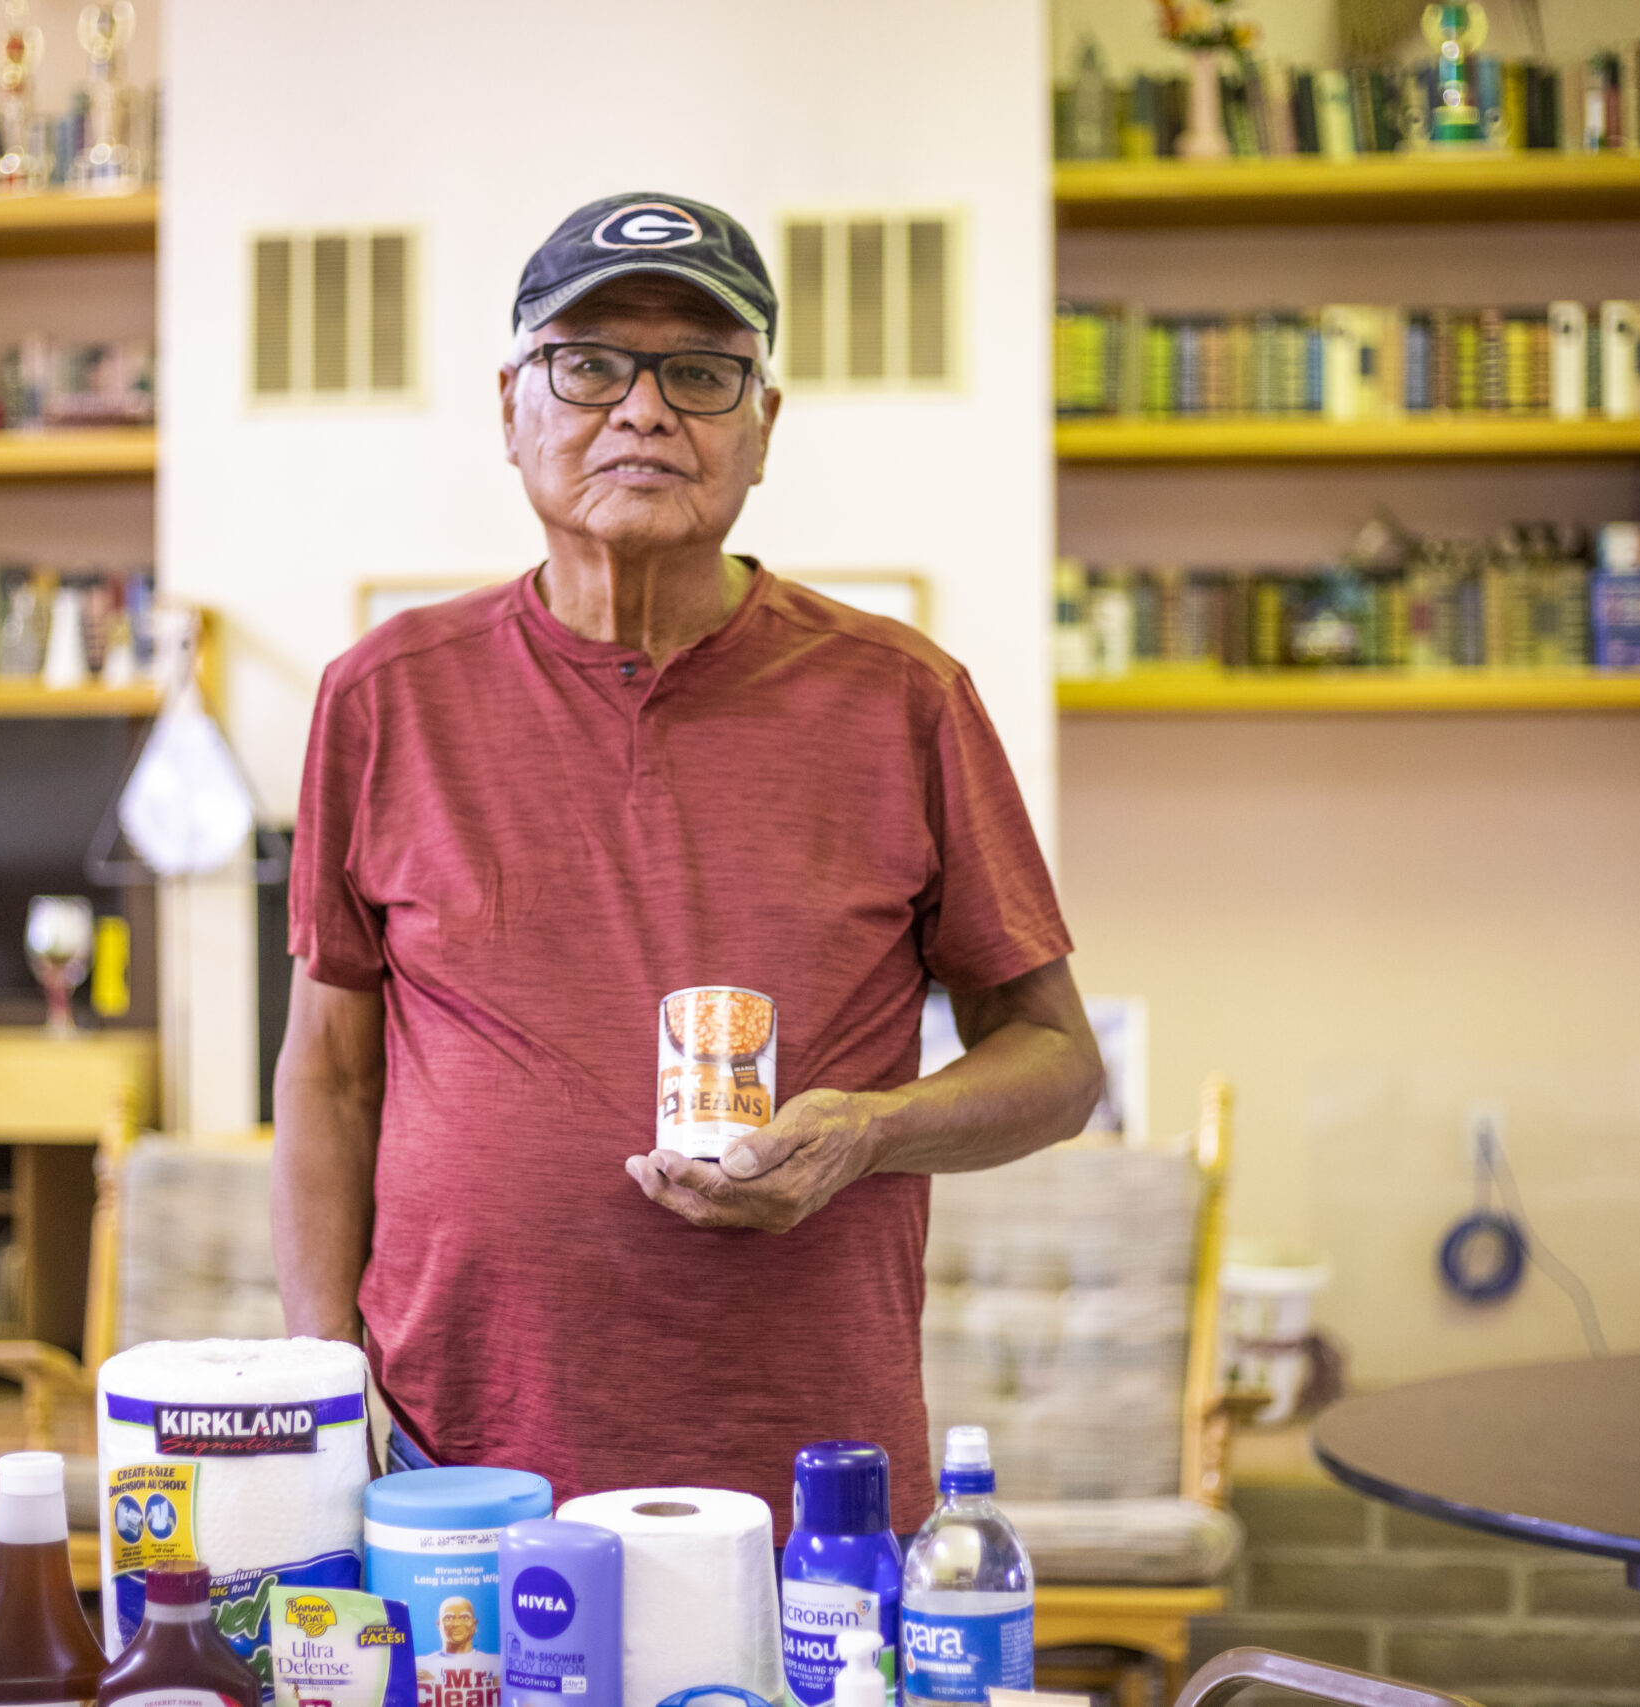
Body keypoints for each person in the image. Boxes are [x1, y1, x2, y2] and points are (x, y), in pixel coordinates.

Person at [274, 191, 1105, 1535]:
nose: (644, 410)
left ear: (762, 427)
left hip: (808, 1464)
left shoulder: (903, 697)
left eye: (702, 372)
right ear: (509, 407)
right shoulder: (384, 695)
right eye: (589, 364)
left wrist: (870, 1131)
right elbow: (328, 1067)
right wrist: (319, 1390)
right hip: (456, 1472)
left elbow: (1059, 1060)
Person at [416, 1597, 497, 1707]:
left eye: (464, 1617)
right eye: (448, 1618)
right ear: (439, 1624)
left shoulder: (497, 1665)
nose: (457, 1624)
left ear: (474, 1624)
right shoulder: (419, 1666)